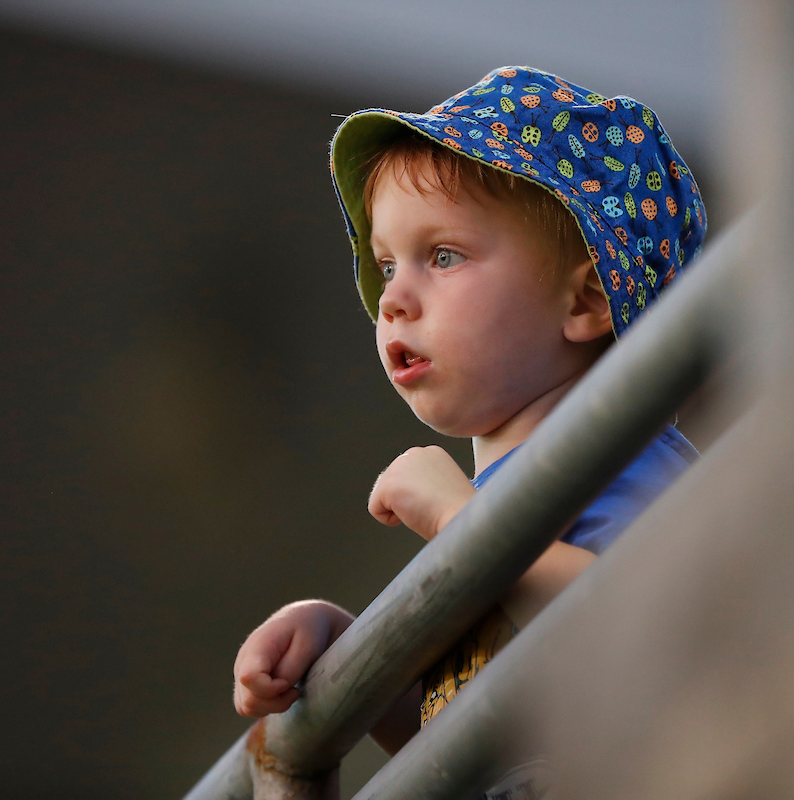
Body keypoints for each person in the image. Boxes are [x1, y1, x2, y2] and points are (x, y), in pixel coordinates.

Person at [232, 65, 707, 763]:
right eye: (388, 265)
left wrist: (468, 530)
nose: (393, 299)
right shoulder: (501, 514)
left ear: (585, 303)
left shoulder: (623, 460)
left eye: (443, 255)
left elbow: (658, 627)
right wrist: (344, 660)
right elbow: (464, 749)